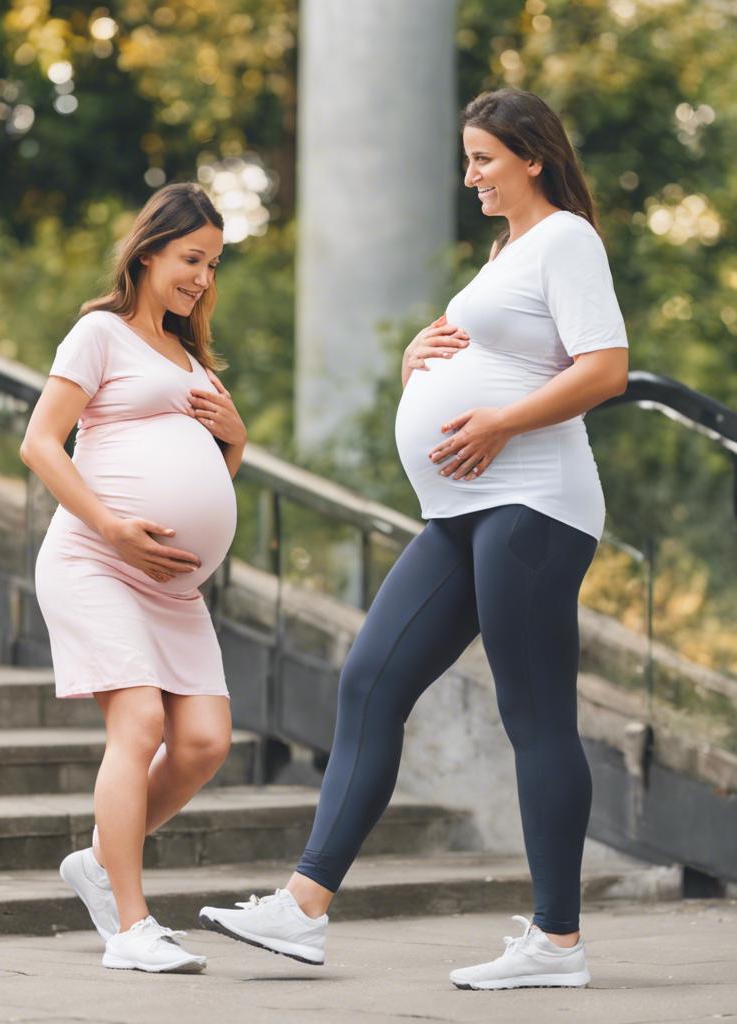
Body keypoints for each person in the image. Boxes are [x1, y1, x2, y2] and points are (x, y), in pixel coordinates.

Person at [199, 88, 629, 991]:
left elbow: (605, 369)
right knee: (370, 679)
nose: (469, 176)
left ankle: (557, 944)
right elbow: (497, 350)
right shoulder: (507, 251)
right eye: (467, 159)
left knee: (534, 713)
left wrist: (502, 421)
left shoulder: (565, 239)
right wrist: (416, 368)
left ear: (532, 158)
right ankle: (304, 909)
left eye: (484, 159)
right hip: (461, 513)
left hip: (535, 505)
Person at [20, 182, 248, 973]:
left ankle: (97, 859)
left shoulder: (191, 357)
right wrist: (114, 525)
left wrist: (236, 439)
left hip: (173, 588)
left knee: (205, 742)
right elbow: (41, 444)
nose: (202, 277)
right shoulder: (100, 333)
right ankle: (130, 924)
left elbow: (211, 477)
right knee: (141, 723)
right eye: (192, 258)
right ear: (150, 250)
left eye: (213, 265)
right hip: (97, 560)